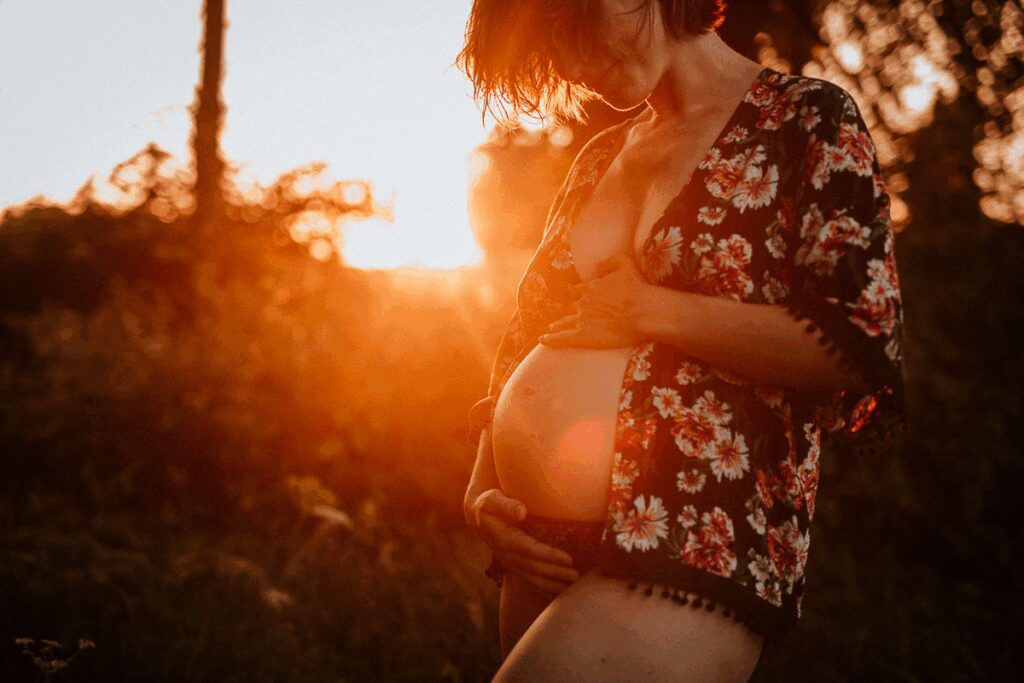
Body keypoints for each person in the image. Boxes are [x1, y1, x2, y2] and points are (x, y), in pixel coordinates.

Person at [456, 1, 908, 680]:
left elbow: (857, 339)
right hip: (540, 554)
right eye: (554, 54)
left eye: (576, 31)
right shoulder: (596, 159)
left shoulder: (806, 120)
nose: (577, 70)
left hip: (692, 537)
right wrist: (483, 491)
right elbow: (524, 343)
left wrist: (652, 311)